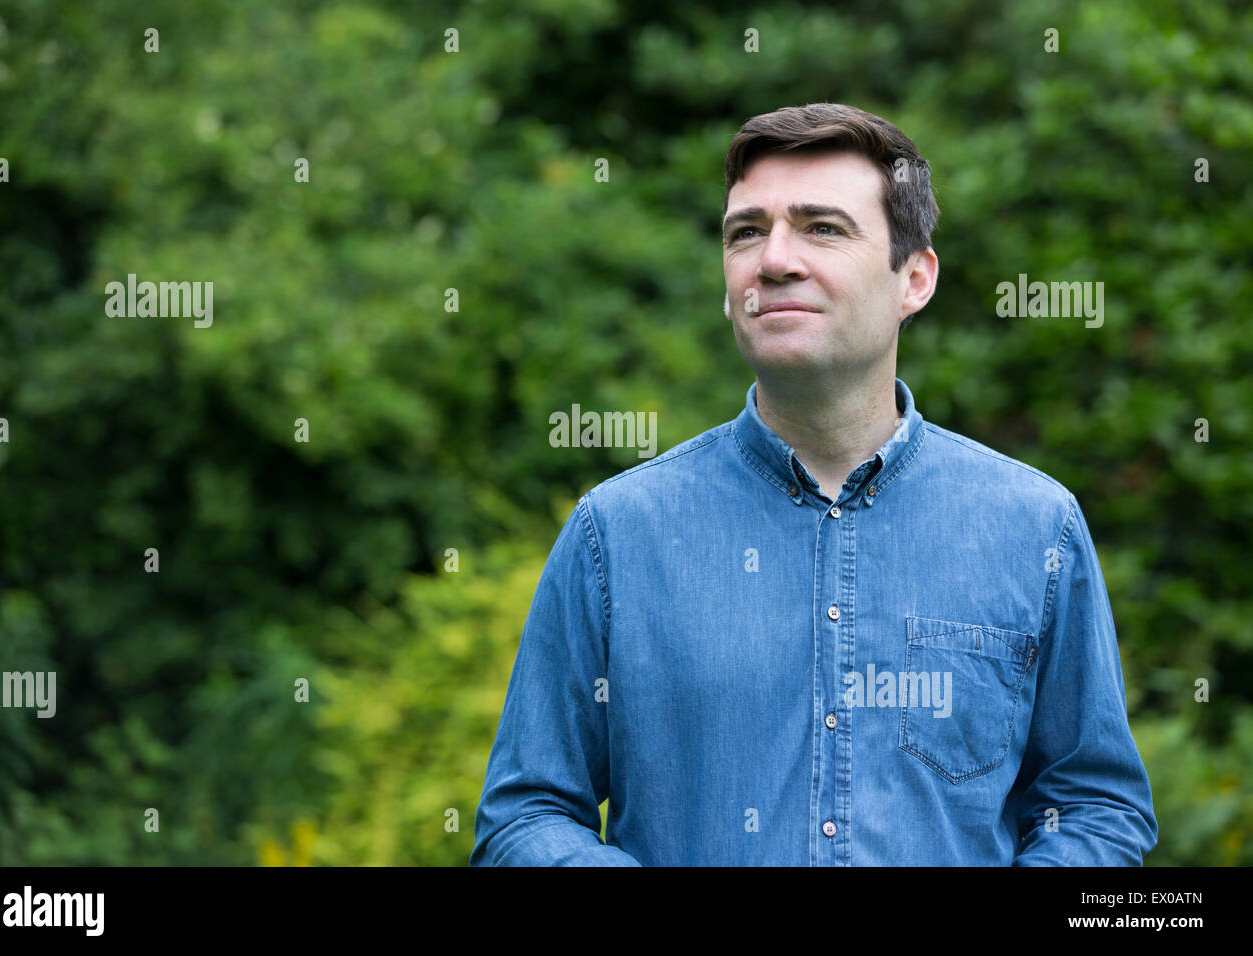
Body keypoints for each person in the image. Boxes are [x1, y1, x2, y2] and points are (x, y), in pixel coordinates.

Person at [470, 102, 1158, 866]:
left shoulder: (1035, 530)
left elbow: (1094, 808)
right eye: (746, 232)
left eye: (822, 227)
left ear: (916, 278)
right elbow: (526, 814)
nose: (773, 260)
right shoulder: (617, 534)